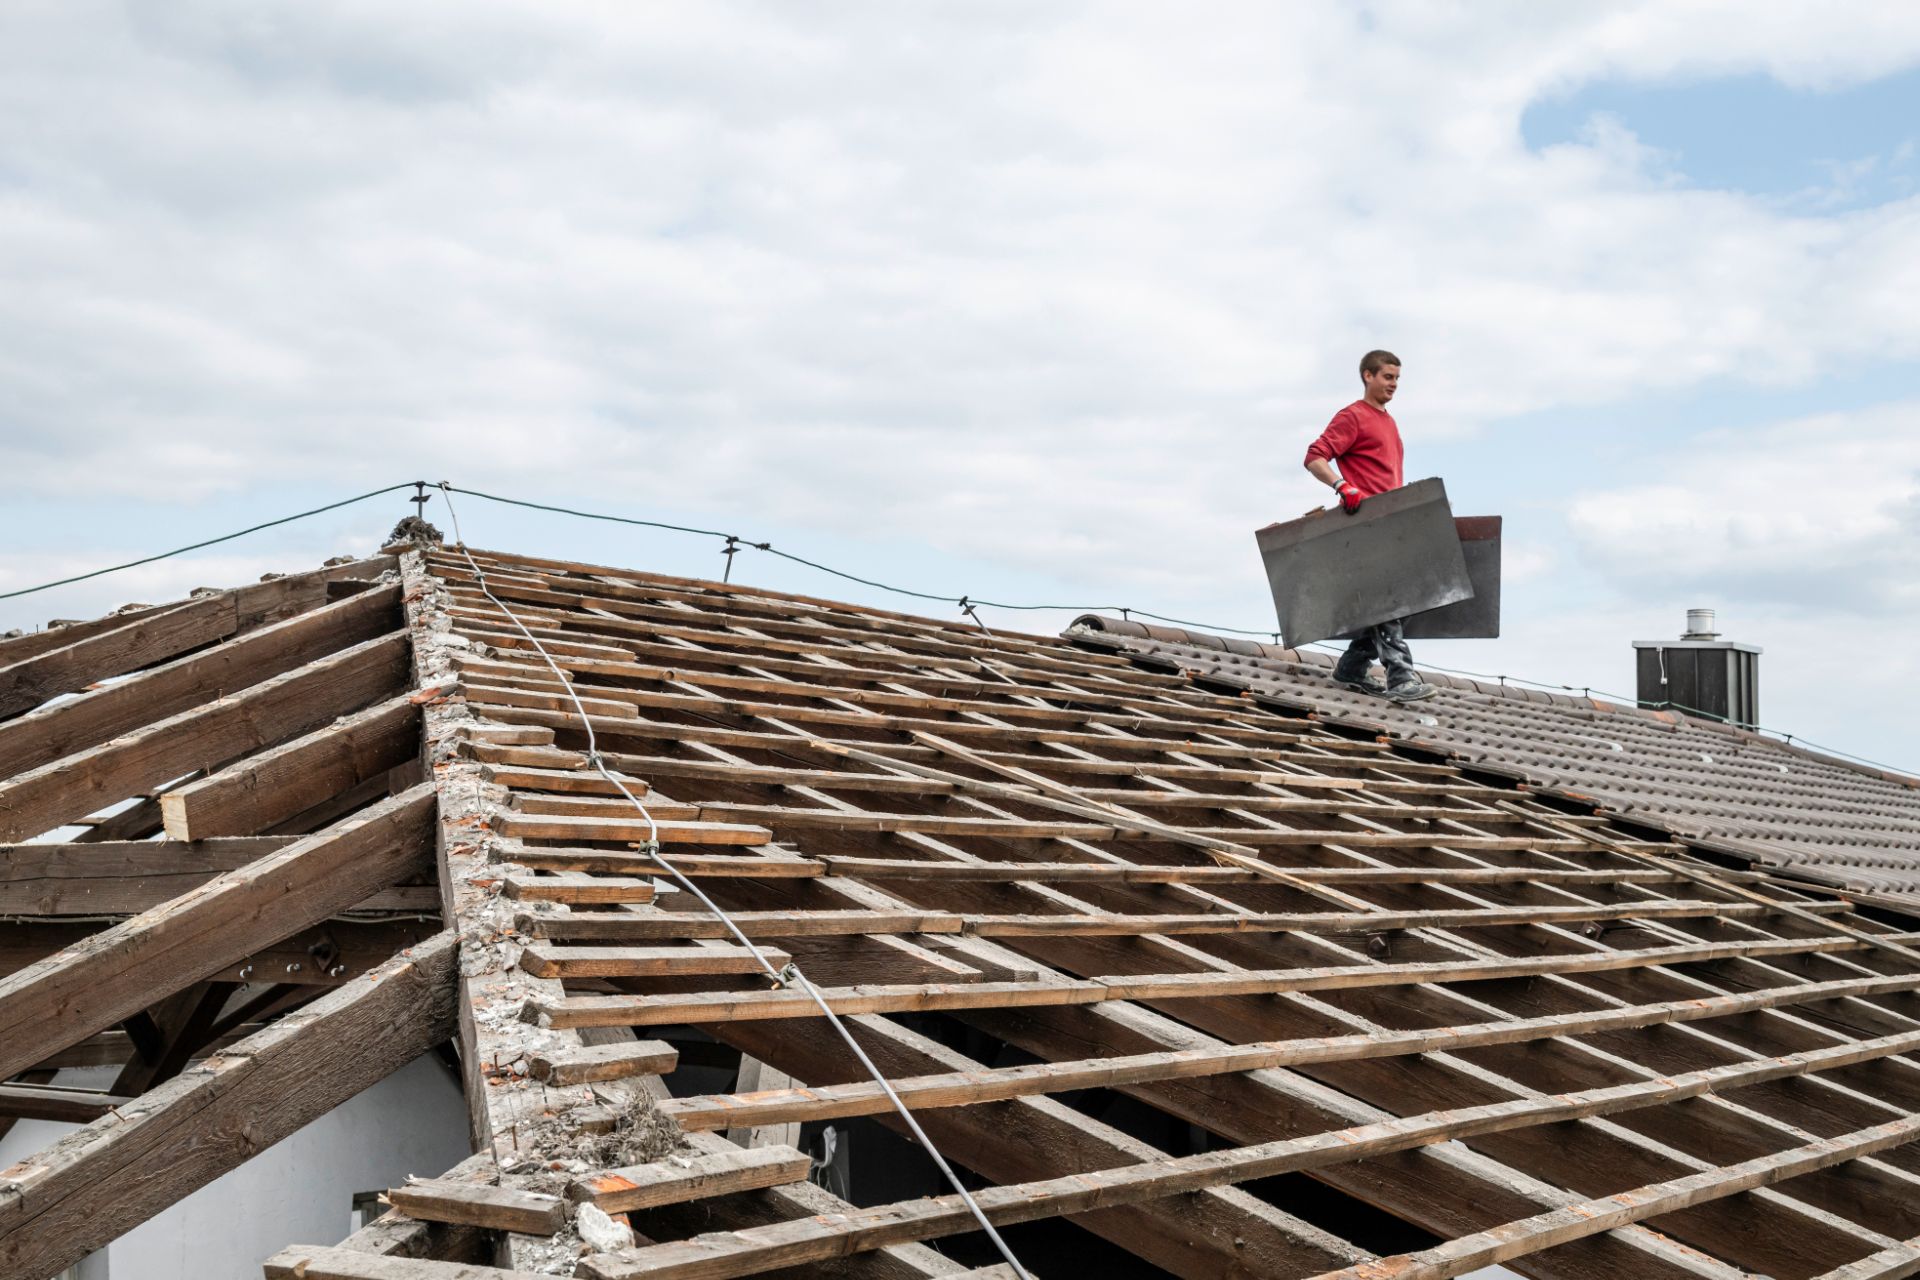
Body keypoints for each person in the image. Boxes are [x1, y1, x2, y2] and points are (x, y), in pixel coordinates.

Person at [1302, 350, 1438, 702]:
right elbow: (1315, 456)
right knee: (1389, 600)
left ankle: (1351, 667)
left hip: (1390, 524)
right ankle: (1401, 678)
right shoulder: (1353, 416)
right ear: (1368, 375)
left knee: (1397, 601)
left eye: (1397, 379)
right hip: (1365, 525)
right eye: (1387, 377)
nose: (1394, 384)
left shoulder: (1388, 422)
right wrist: (1341, 485)